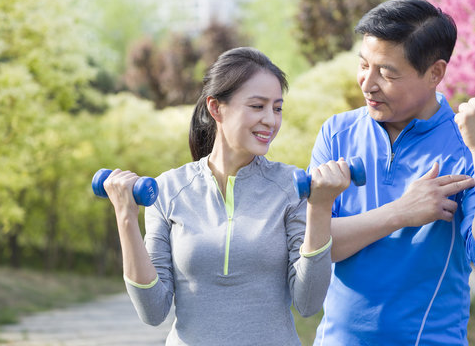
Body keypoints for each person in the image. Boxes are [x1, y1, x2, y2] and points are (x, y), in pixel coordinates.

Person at [102, 47, 352, 346]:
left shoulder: (291, 186)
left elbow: (308, 303)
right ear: (216, 108)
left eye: (277, 108)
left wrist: (321, 208)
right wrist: (126, 216)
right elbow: (152, 311)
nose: (271, 121)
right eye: (258, 106)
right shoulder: (168, 190)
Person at [310, 0, 475, 346]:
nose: (368, 83)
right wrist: (400, 213)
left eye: (388, 72)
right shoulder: (337, 133)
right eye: (364, 65)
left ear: (435, 73)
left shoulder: (465, 146)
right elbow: (317, 247)